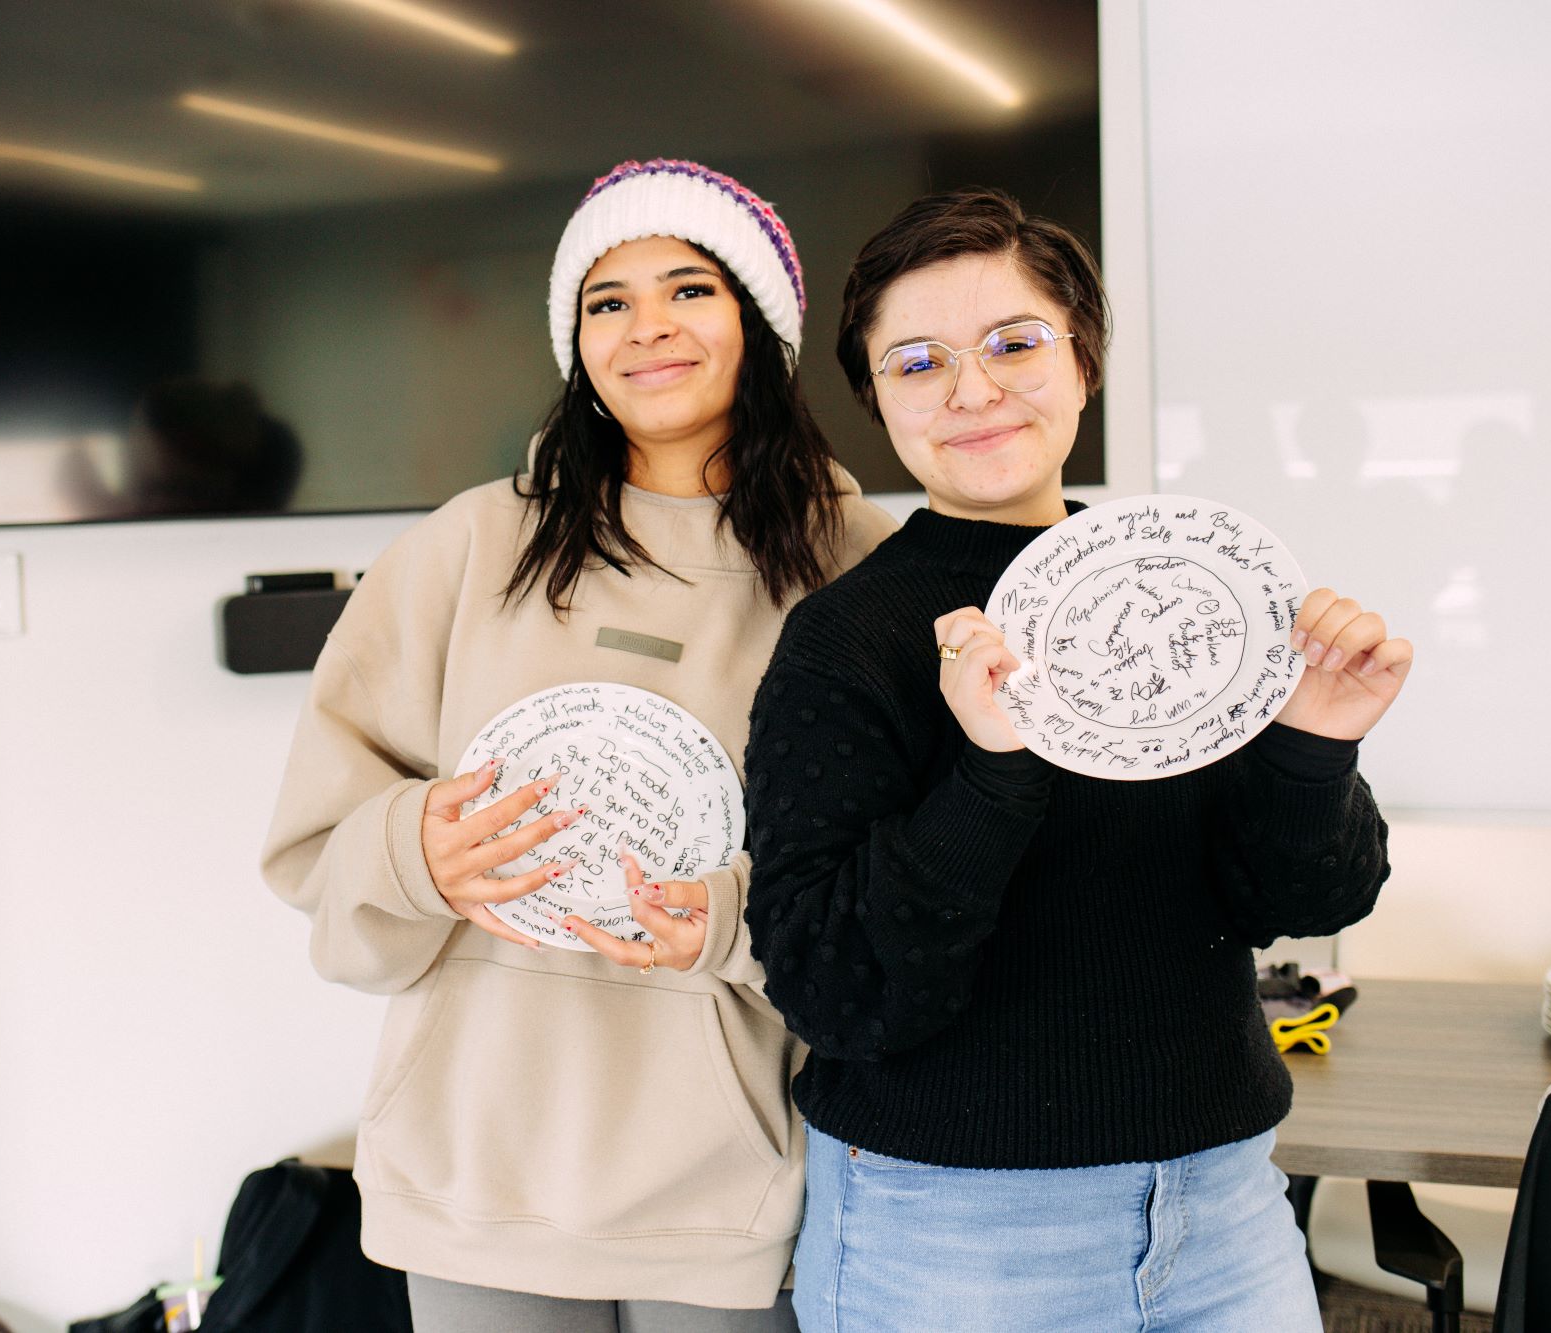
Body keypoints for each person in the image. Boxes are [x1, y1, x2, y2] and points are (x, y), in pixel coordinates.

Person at [742, 188, 1415, 1331]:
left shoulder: (1180, 586)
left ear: (1084, 359)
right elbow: (831, 989)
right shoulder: (844, 642)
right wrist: (989, 772)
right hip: (953, 1235)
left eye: (1014, 342)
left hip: (1225, 1204)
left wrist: (1314, 739)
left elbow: (1303, 896)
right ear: (877, 403)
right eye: (916, 362)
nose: (972, 389)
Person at [261, 159, 896, 1331]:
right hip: (473, 1173)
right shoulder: (468, 545)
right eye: (606, 301)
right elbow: (316, 845)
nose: (645, 328)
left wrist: (729, 917)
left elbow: (901, 884)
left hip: (729, 1183)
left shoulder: (854, 560)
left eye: (688, 289)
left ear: (758, 323)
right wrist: (417, 854)